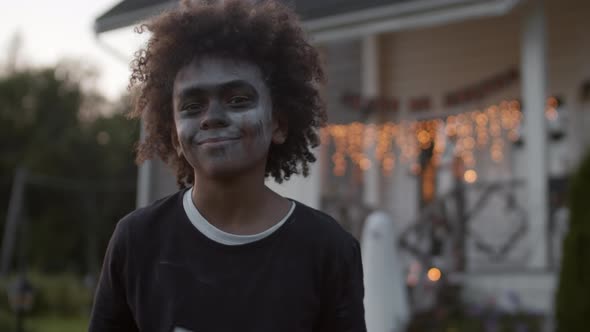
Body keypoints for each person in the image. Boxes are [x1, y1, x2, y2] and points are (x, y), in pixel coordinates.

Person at [89, 0, 366, 331]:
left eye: (237, 100)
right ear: (174, 134)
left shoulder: (328, 250)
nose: (213, 117)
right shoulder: (137, 241)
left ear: (278, 123)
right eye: (192, 105)